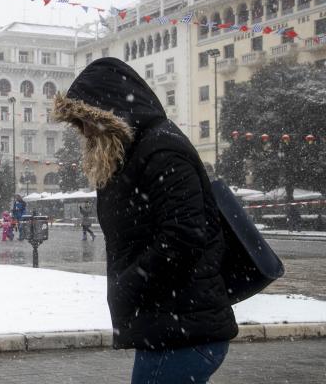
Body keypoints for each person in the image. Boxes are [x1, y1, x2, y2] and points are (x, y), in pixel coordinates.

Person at [54, 57, 237, 384]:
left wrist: (130, 286)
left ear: (107, 113)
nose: (82, 131)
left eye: (85, 120)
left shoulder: (161, 149)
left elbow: (184, 235)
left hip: (185, 331)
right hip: (169, 326)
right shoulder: (133, 152)